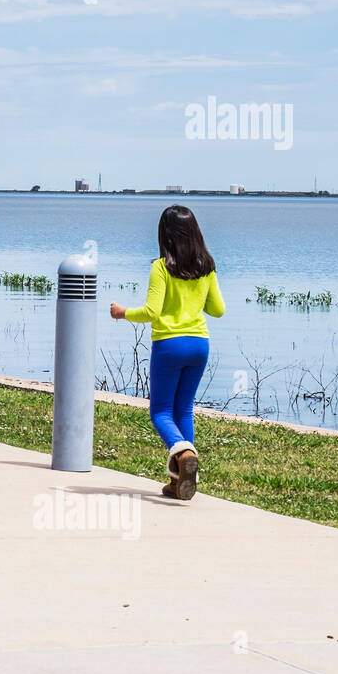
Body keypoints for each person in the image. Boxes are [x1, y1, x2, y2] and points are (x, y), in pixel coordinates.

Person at [109, 205, 225, 500]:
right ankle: (179, 482)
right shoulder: (206, 266)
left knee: (161, 412)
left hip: (170, 345)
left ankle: (184, 452)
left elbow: (151, 311)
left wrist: (122, 313)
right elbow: (218, 310)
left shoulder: (161, 267)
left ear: (165, 235)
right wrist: (196, 297)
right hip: (199, 345)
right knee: (183, 410)